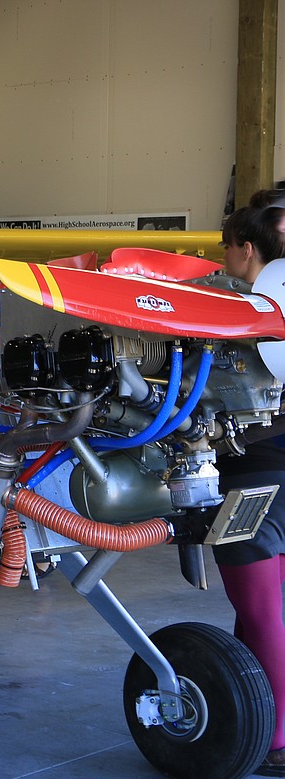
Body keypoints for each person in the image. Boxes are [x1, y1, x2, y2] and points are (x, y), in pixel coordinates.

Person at [212, 203, 285, 775]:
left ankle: (277, 739)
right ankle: (259, 714)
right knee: (264, 612)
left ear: (245, 247)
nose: (222, 257)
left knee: (259, 612)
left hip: (253, 475)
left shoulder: (231, 313)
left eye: (226, 246)